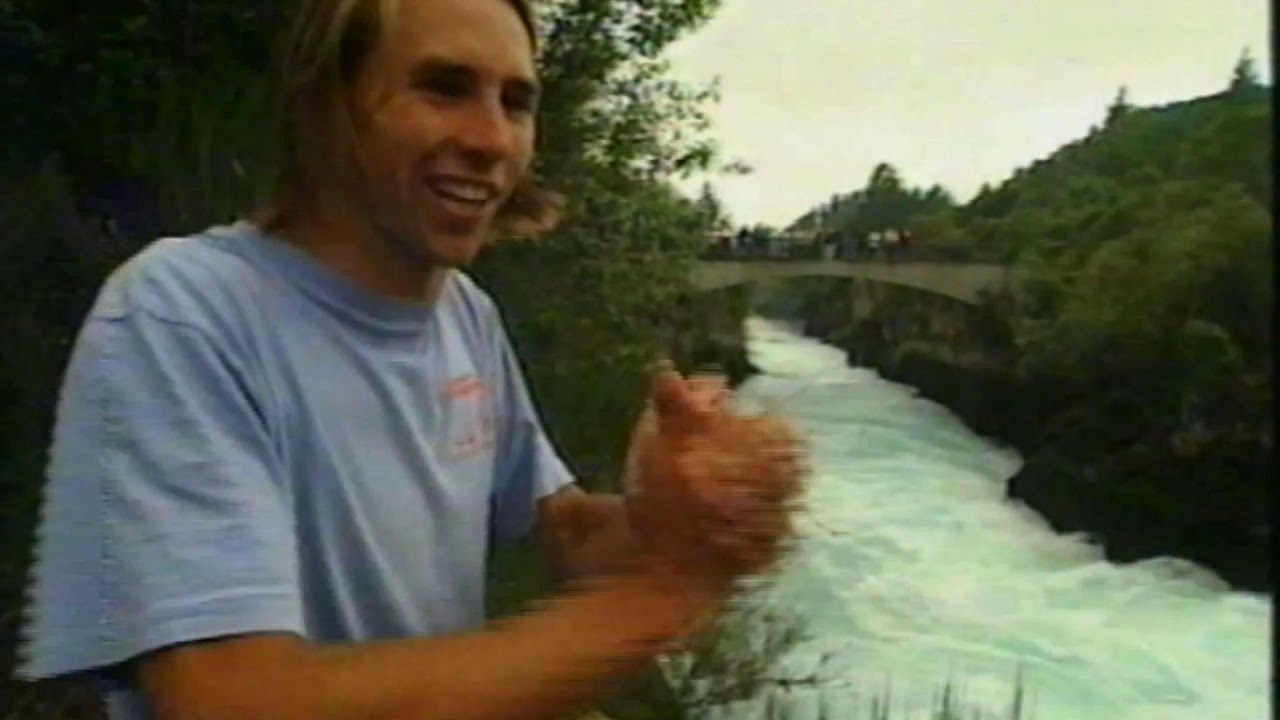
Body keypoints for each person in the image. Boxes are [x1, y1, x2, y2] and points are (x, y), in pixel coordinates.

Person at [17, 1, 803, 719]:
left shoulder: (465, 314)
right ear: (329, 110)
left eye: (516, 102)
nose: (492, 139)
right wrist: (646, 608)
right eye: (443, 88)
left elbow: (565, 530)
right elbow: (228, 695)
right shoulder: (184, 311)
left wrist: (672, 517)